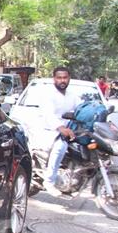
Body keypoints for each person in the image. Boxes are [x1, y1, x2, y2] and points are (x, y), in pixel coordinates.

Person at [39, 66, 82, 197]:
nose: (62, 80)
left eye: (65, 77)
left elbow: (81, 108)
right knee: (60, 146)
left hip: (67, 129)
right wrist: (61, 128)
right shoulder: (48, 94)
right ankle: (49, 181)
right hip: (49, 130)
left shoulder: (72, 95)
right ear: (54, 79)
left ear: (69, 78)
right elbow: (48, 115)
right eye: (59, 78)